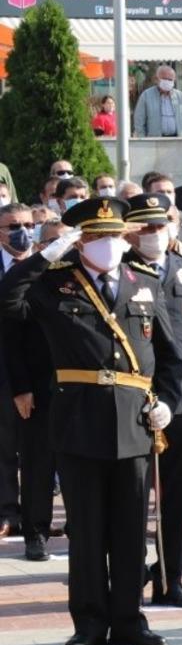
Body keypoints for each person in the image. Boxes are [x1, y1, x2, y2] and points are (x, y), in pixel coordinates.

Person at [0, 198, 182, 645]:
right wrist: (45, 256)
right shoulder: (55, 285)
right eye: (97, 237)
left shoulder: (143, 283)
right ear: (80, 240)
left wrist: (169, 402)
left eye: (114, 236)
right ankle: (89, 622)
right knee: (86, 532)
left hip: (134, 422)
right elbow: (8, 303)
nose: (108, 244)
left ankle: (129, 620)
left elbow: (172, 357)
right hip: (78, 421)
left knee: (129, 530)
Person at [122, 194, 182, 608]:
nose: (153, 234)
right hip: (134, 397)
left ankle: (169, 577)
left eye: (159, 226)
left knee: (176, 497)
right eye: (144, 227)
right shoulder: (121, 274)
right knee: (134, 494)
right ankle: (129, 575)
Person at [2, 210, 58, 558]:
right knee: (37, 462)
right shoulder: (30, 284)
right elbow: (11, 330)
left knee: (77, 462)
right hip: (38, 388)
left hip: (83, 389)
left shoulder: (85, 280)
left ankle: (81, 525)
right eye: (53, 242)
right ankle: (35, 531)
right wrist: (21, 387)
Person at [133, 65, 182, 138]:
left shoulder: (181, 97)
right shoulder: (146, 96)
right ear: (157, 79)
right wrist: (143, 139)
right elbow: (139, 121)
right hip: (155, 141)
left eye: (170, 80)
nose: (167, 82)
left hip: (178, 141)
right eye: (165, 79)